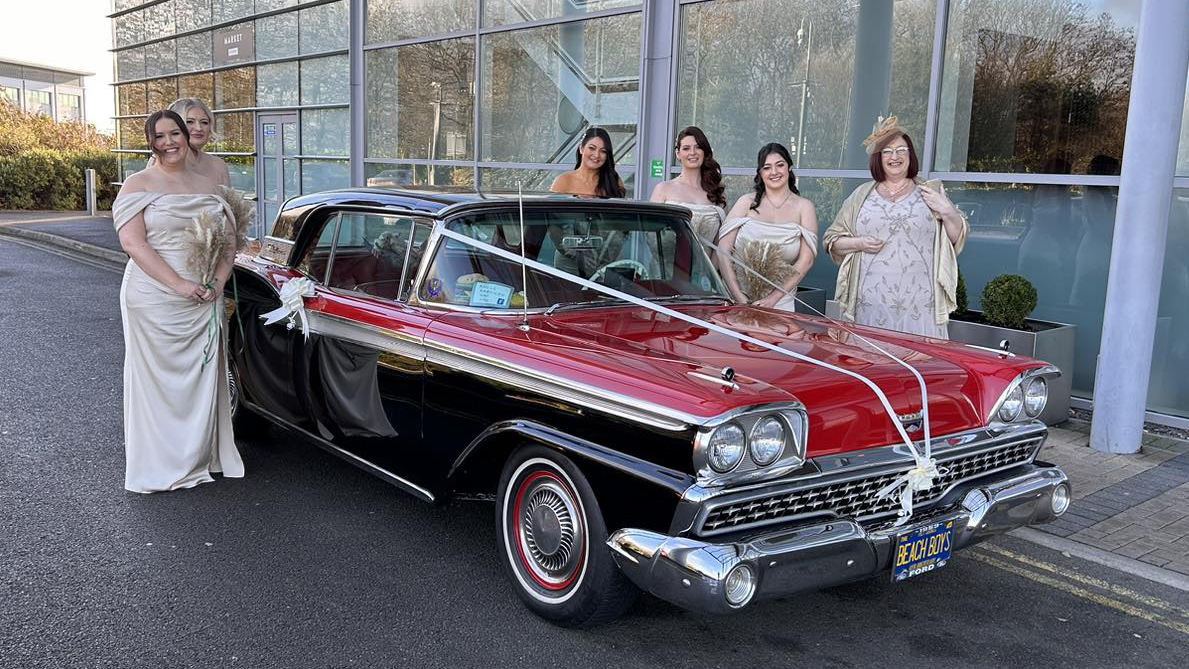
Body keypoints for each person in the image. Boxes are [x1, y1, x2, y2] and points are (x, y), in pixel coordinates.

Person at [113, 109, 244, 493]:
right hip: (155, 297)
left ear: (187, 136)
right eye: (159, 136)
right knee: (158, 383)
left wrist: (218, 282)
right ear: (150, 142)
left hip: (205, 295)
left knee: (200, 378)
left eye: (176, 133)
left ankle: (197, 457)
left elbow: (228, 241)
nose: (169, 142)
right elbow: (133, 244)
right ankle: (161, 462)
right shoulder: (138, 184)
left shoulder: (209, 180)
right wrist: (179, 284)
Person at [822, 116, 967, 338]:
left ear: (911, 155)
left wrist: (947, 209)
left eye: (901, 150)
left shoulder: (930, 192)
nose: (895, 156)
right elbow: (832, 241)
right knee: (872, 367)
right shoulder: (860, 196)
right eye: (887, 151)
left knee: (920, 367)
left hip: (920, 306)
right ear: (878, 158)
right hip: (868, 304)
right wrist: (858, 243)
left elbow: (956, 239)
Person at [716, 143, 818, 312]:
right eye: (767, 167)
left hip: (781, 304)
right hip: (740, 300)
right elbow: (723, 250)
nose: (774, 172)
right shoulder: (746, 202)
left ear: (789, 168)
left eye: (780, 165)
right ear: (760, 173)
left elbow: (806, 261)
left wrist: (773, 299)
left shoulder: (804, 207)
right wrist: (738, 296)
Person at [649, 126, 727, 250]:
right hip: (669, 266)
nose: (692, 153)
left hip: (706, 268)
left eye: (698, 147)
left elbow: (720, 247)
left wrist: (709, 269)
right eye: (686, 148)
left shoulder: (715, 193)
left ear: (704, 151)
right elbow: (651, 237)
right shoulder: (663, 189)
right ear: (678, 154)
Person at [145, 98, 231, 186]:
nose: (199, 128)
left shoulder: (219, 165)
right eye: (189, 122)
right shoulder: (158, 163)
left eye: (204, 122)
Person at [549, 127, 626, 198]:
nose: (596, 155)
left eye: (603, 151)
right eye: (592, 148)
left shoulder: (614, 182)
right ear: (581, 148)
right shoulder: (563, 181)